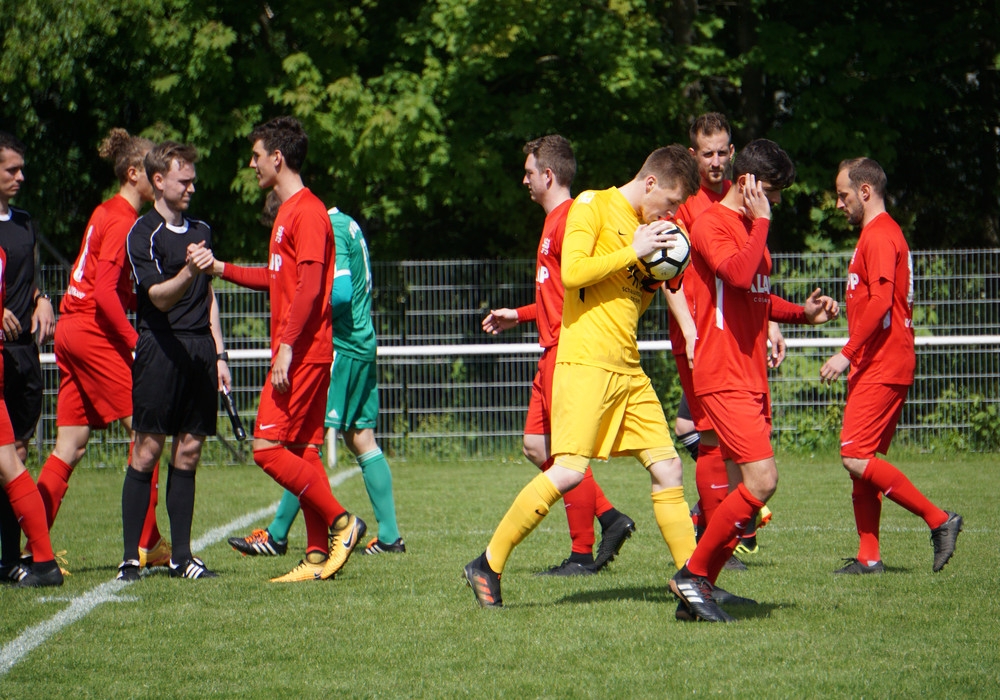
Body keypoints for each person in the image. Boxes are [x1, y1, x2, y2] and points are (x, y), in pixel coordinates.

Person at [464, 144, 704, 608]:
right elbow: (573, 274)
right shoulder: (592, 205)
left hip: (627, 367)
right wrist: (634, 251)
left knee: (669, 466)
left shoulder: (645, 229)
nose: (672, 213)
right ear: (650, 183)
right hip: (585, 362)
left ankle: (695, 580)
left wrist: (662, 272)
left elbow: (633, 294)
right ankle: (487, 563)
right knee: (569, 471)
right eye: (671, 202)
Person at [670, 139, 839, 622]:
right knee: (763, 480)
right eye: (773, 191)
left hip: (749, 374)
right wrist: (762, 222)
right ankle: (693, 575)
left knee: (747, 486)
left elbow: (757, 297)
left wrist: (802, 314)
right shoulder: (710, 223)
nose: (777, 201)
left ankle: (699, 585)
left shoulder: (748, 226)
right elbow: (739, 275)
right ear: (747, 183)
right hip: (723, 374)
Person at [213, 116, 366, 583]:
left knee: (265, 449)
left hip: (302, 353)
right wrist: (220, 268)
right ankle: (316, 556)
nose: (252, 164)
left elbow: (311, 287)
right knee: (303, 452)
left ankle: (343, 522)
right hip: (300, 351)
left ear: (277, 158)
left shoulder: (309, 212)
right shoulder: (286, 212)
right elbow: (278, 278)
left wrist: (285, 347)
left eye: (256, 156)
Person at [480, 135, 635, 576]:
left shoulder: (570, 219)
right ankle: (610, 517)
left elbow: (582, 292)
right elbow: (557, 297)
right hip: (549, 349)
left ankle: (582, 554)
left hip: (566, 352)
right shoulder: (554, 220)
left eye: (529, 172)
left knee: (566, 455)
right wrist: (520, 314)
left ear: (548, 175)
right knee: (536, 446)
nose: (524, 180)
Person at [228, 205, 405, 558]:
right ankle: (389, 537)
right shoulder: (346, 223)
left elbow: (339, 293)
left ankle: (278, 534)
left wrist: (303, 310)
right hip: (361, 340)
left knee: (303, 445)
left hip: (341, 346)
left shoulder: (329, 228)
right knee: (361, 437)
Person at [34, 128, 171, 569]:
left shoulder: (105, 211)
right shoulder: (123, 220)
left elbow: (109, 285)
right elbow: (105, 294)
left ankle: (30, 547)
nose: (161, 179)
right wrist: (135, 344)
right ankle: (147, 542)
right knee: (147, 430)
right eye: (154, 171)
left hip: (70, 330)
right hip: (92, 332)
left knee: (70, 445)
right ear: (133, 174)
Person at [820, 157, 962, 574]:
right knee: (861, 465)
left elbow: (882, 302)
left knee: (854, 456)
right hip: (876, 361)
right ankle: (869, 558)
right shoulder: (876, 234)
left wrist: (846, 352)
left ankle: (939, 519)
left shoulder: (881, 234)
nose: (839, 204)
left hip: (882, 361)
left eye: (843, 195)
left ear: (865, 191)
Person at [118, 141, 228, 581]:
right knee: (147, 449)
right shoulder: (142, 232)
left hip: (200, 350)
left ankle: (182, 556)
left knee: (190, 450)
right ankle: (131, 557)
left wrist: (220, 354)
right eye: (184, 181)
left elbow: (209, 297)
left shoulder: (202, 229)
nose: (191, 188)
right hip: (160, 348)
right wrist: (188, 270)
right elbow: (158, 298)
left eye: (193, 181)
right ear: (159, 181)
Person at [668, 113, 775, 565]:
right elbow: (667, 277)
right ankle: (715, 537)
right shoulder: (685, 204)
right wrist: (689, 331)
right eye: (707, 153)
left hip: (734, 340)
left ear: (732, 152)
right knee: (708, 436)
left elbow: (753, 274)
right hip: (700, 340)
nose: (715, 161)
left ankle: (717, 524)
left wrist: (772, 322)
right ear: (693, 155)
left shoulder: (743, 198)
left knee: (718, 441)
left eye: (722, 152)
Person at [0, 151, 62, 588]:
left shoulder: (24, 223)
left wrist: (43, 299)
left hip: (23, 353)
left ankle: (12, 559)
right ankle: (40, 559)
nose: (20, 177)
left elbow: (28, 280)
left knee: (15, 456)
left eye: (23, 169)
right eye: (11, 169)